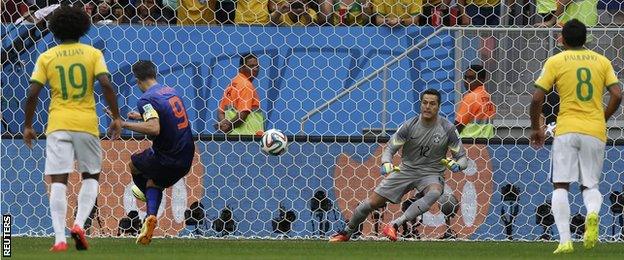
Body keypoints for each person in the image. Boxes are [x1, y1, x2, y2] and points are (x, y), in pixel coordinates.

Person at [23, 5, 122, 252]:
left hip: (57, 124)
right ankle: (78, 224)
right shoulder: (92, 54)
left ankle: (59, 239)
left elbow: (33, 92)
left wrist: (27, 125)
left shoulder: (47, 56)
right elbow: (107, 85)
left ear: (54, 29)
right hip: (86, 124)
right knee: (91, 175)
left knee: (59, 179)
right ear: (83, 27)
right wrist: (117, 117)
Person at [530, 19, 622, 254]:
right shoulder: (602, 61)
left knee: (560, 184)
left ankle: (564, 241)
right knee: (590, 183)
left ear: (562, 39)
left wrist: (536, 128)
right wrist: (602, 118)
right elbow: (617, 94)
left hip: (567, 128)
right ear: (586, 39)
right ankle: (592, 214)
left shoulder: (556, 61)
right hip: (594, 130)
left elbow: (537, 99)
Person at [329, 88, 468, 242]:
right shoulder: (409, 126)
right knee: (371, 203)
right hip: (406, 170)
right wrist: (386, 162)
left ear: (438, 107)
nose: (428, 107)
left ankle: (394, 225)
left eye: (432, 104)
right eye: (425, 103)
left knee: (435, 192)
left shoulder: (448, 129)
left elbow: (462, 158)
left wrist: (458, 165)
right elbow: (390, 148)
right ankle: (346, 233)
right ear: (421, 105)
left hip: (431, 173)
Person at [112, 60, 195, 245]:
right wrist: (140, 116)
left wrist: (122, 123)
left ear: (136, 80)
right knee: (154, 181)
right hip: (187, 155)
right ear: (154, 74)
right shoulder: (170, 91)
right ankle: (150, 218)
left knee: (134, 164)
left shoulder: (146, 99)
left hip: (167, 156)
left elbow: (154, 127)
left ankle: (144, 194)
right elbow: (166, 116)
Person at [216, 53, 265, 135]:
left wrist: (224, 125)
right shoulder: (246, 85)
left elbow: (220, 112)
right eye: (251, 66)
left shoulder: (232, 84)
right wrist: (228, 126)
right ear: (241, 67)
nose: (255, 69)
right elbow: (243, 114)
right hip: (248, 138)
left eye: (257, 66)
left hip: (232, 138)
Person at [455, 64, 496, 139]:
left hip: (468, 143)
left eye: (471, 78)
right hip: (484, 144)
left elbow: (458, 126)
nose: (467, 81)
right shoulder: (488, 97)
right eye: (465, 77)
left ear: (482, 80)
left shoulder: (471, 97)